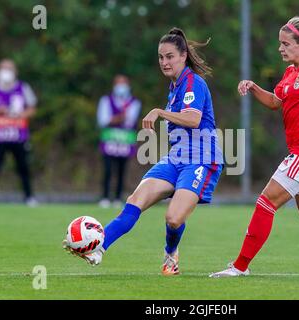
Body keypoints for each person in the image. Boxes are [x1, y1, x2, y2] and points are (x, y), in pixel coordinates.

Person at [64, 27, 224, 275]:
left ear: (183, 56)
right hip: (176, 157)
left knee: (173, 219)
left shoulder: (193, 82)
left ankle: (171, 252)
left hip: (201, 159)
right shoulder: (175, 86)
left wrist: (159, 112)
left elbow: (193, 119)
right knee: (134, 202)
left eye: (170, 56)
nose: (164, 62)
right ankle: (97, 247)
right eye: (161, 57)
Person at [210, 16, 299, 278]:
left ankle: (240, 267)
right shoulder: (291, 72)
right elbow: (277, 102)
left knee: (266, 202)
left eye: (285, 43)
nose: (280, 48)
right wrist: (253, 87)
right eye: (280, 43)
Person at [0, 59, 37, 207]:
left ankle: (29, 197)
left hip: (18, 136)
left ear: (15, 71)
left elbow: (32, 109)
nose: (6, 71)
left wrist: (22, 114)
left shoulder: (23, 88)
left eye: (9, 68)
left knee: (23, 167)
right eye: (3, 68)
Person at [97, 74, 141, 209]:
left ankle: (118, 197)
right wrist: (119, 118)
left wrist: (114, 119)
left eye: (124, 83)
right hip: (109, 139)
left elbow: (130, 121)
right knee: (108, 169)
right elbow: (103, 120)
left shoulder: (134, 102)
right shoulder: (105, 100)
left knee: (122, 170)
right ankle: (104, 197)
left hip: (125, 141)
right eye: (118, 83)